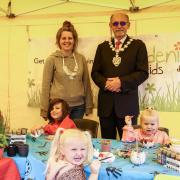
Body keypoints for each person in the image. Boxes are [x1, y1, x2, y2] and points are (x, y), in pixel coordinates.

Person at [91, 12, 149, 139]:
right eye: (115, 23)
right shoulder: (102, 47)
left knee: (128, 146)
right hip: (106, 107)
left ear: (128, 25)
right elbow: (95, 72)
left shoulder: (138, 45)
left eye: (122, 23)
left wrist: (121, 82)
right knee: (107, 145)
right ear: (110, 26)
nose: (119, 26)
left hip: (127, 107)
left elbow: (143, 72)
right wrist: (106, 84)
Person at [40, 21, 93, 120]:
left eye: (70, 38)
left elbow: (86, 83)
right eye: (63, 38)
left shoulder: (81, 59)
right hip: (58, 107)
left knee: (74, 135)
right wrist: (44, 109)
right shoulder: (52, 59)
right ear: (58, 41)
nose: (67, 41)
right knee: (59, 135)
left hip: (78, 107)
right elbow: (45, 86)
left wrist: (88, 106)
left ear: (74, 40)